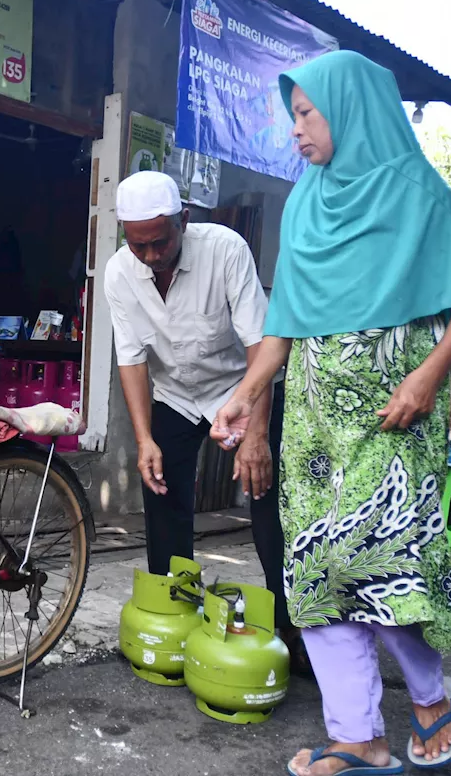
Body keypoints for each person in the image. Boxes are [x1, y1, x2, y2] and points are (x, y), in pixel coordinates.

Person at [211, 50, 451, 776]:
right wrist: (245, 395)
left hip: (395, 411)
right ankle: (358, 735)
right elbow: (286, 321)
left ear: (351, 107)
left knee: (386, 563)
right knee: (316, 568)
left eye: (307, 114)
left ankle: (432, 701)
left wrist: (430, 376)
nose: (296, 131)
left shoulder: (417, 192)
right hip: (312, 416)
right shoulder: (306, 200)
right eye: (293, 116)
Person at [103, 170, 308, 674]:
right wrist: (144, 438)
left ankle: (291, 630)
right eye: (138, 245)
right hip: (176, 394)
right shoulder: (118, 272)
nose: (151, 256)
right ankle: (175, 614)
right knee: (162, 491)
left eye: (160, 242)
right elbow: (130, 359)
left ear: (184, 221)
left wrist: (256, 435)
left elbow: (261, 344)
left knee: (266, 502)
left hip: (243, 390)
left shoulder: (226, 250)